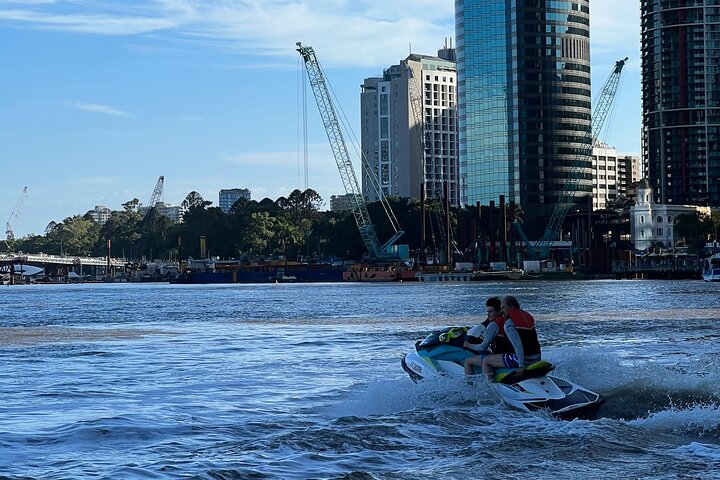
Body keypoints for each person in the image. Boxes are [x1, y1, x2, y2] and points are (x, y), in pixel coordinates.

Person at [479, 295, 542, 377]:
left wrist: (521, 366)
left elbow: (518, 345)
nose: (501, 311)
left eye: (503, 308)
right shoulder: (527, 316)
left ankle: (489, 387)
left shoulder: (509, 323)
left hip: (525, 360)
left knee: (486, 361)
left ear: (511, 307)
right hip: (537, 357)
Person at [463, 296, 502, 375]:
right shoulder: (505, 319)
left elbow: (482, 347)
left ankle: (470, 386)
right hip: (505, 353)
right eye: (487, 312)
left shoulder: (494, 325)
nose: (488, 315)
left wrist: (469, 345)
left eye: (491, 312)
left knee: (467, 361)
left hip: (500, 356)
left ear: (498, 311)